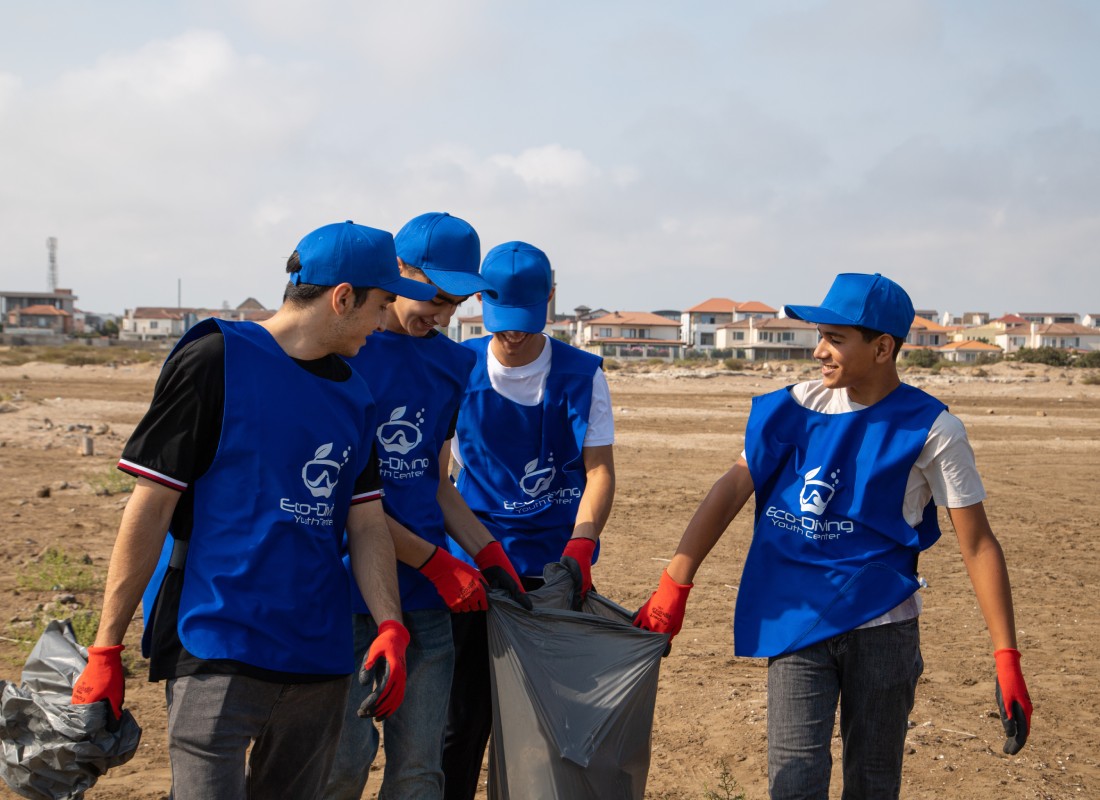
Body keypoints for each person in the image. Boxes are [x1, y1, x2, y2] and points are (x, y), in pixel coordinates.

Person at [70, 220, 438, 800]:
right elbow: (151, 506)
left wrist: (390, 624)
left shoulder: (355, 393)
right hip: (217, 643)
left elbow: (366, 522)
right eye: (380, 304)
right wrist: (106, 647)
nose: (382, 321)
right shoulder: (215, 358)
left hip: (318, 654)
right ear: (343, 298)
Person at [633, 273, 1033, 799]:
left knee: (873, 783)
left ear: (883, 348)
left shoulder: (934, 429)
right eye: (820, 336)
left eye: (835, 339)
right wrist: (673, 586)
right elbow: (731, 489)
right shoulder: (791, 409)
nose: (819, 351)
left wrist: (1006, 658)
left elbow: (977, 544)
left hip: (883, 629)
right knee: (793, 781)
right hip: (796, 621)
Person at [324, 212, 528, 800]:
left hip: (425, 602)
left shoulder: (453, 363)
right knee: (343, 763)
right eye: (435, 297)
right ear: (398, 271)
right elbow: (345, 499)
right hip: (350, 590)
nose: (442, 315)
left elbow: (436, 482)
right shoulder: (347, 353)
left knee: (420, 769)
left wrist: (488, 554)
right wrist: (436, 563)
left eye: (455, 303)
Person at [441, 241, 616, 800]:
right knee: (459, 724)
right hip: (475, 564)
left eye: (525, 319)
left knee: (546, 726)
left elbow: (599, 472)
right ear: (479, 301)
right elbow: (438, 478)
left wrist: (581, 547)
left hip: (554, 567)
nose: (513, 334)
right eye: (502, 319)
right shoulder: (455, 366)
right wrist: (472, 556)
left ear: (551, 298)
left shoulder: (582, 374)